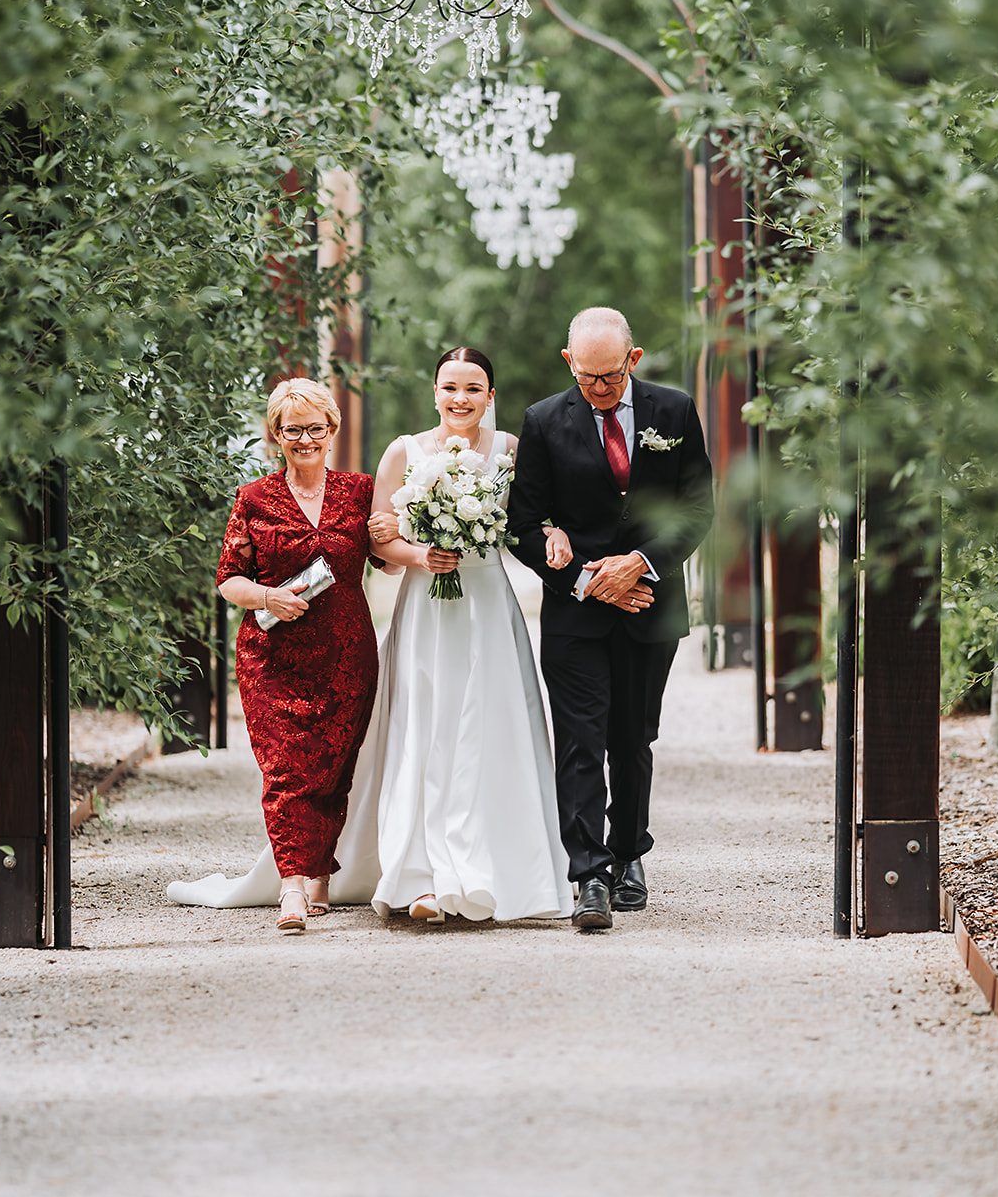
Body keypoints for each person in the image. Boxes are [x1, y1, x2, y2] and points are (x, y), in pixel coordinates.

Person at [169, 348, 572, 926]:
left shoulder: (503, 451)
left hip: (458, 612)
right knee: (409, 735)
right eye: (450, 387)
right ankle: (381, 876)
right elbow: (379, 545)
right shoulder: (387, 457)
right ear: (434, 391)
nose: (461, 398)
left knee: (485, 731)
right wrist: (419, 553)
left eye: (474, 388)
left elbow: (527, 515)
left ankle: (494, 870)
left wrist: (552, 531)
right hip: (369, 625)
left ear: (491, 395)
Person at [509, 306, 714, 932]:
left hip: (651, 606)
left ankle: (629, 855)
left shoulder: (674, 413)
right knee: (579, 743)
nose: (599, 389)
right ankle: (589, 874)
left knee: (632, 739)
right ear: (570, 362)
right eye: (587, 377)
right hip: (577, 614)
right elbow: (522, 525)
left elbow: (697, 508)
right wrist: (588, 579)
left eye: (611, 377)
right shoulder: (543, 422)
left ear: (634, 358)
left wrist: (643, 564)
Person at [211, 377, 377, 933]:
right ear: (275, 435)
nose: (304, 438)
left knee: (333, 769)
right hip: (273, 658)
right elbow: (228, 580)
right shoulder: (254, 497)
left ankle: (321, 875)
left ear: (331, 431)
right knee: (285, 771)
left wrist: (420, 541)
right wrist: (267, 596)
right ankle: (292, 888)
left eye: (313, 429)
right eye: (291, 430)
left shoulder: (360, 490)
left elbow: (388, 561)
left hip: (346, 653)